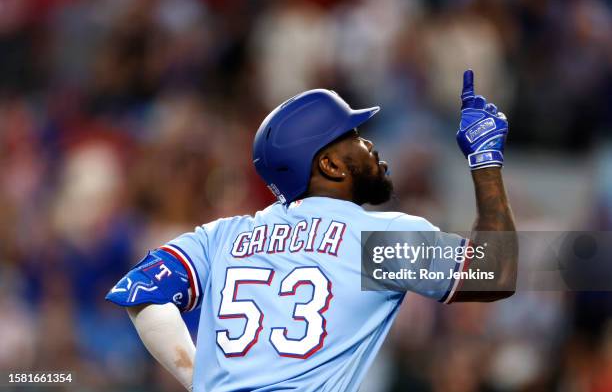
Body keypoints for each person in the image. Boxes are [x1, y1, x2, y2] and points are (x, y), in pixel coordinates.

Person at [106, 69, 517, 392]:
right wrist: (485, 162)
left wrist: (198, 380)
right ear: (330, 165)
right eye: (353, 137)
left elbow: (143, 292)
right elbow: (496, 272)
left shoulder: (223, 237)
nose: (370, 145)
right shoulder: (375, 241)